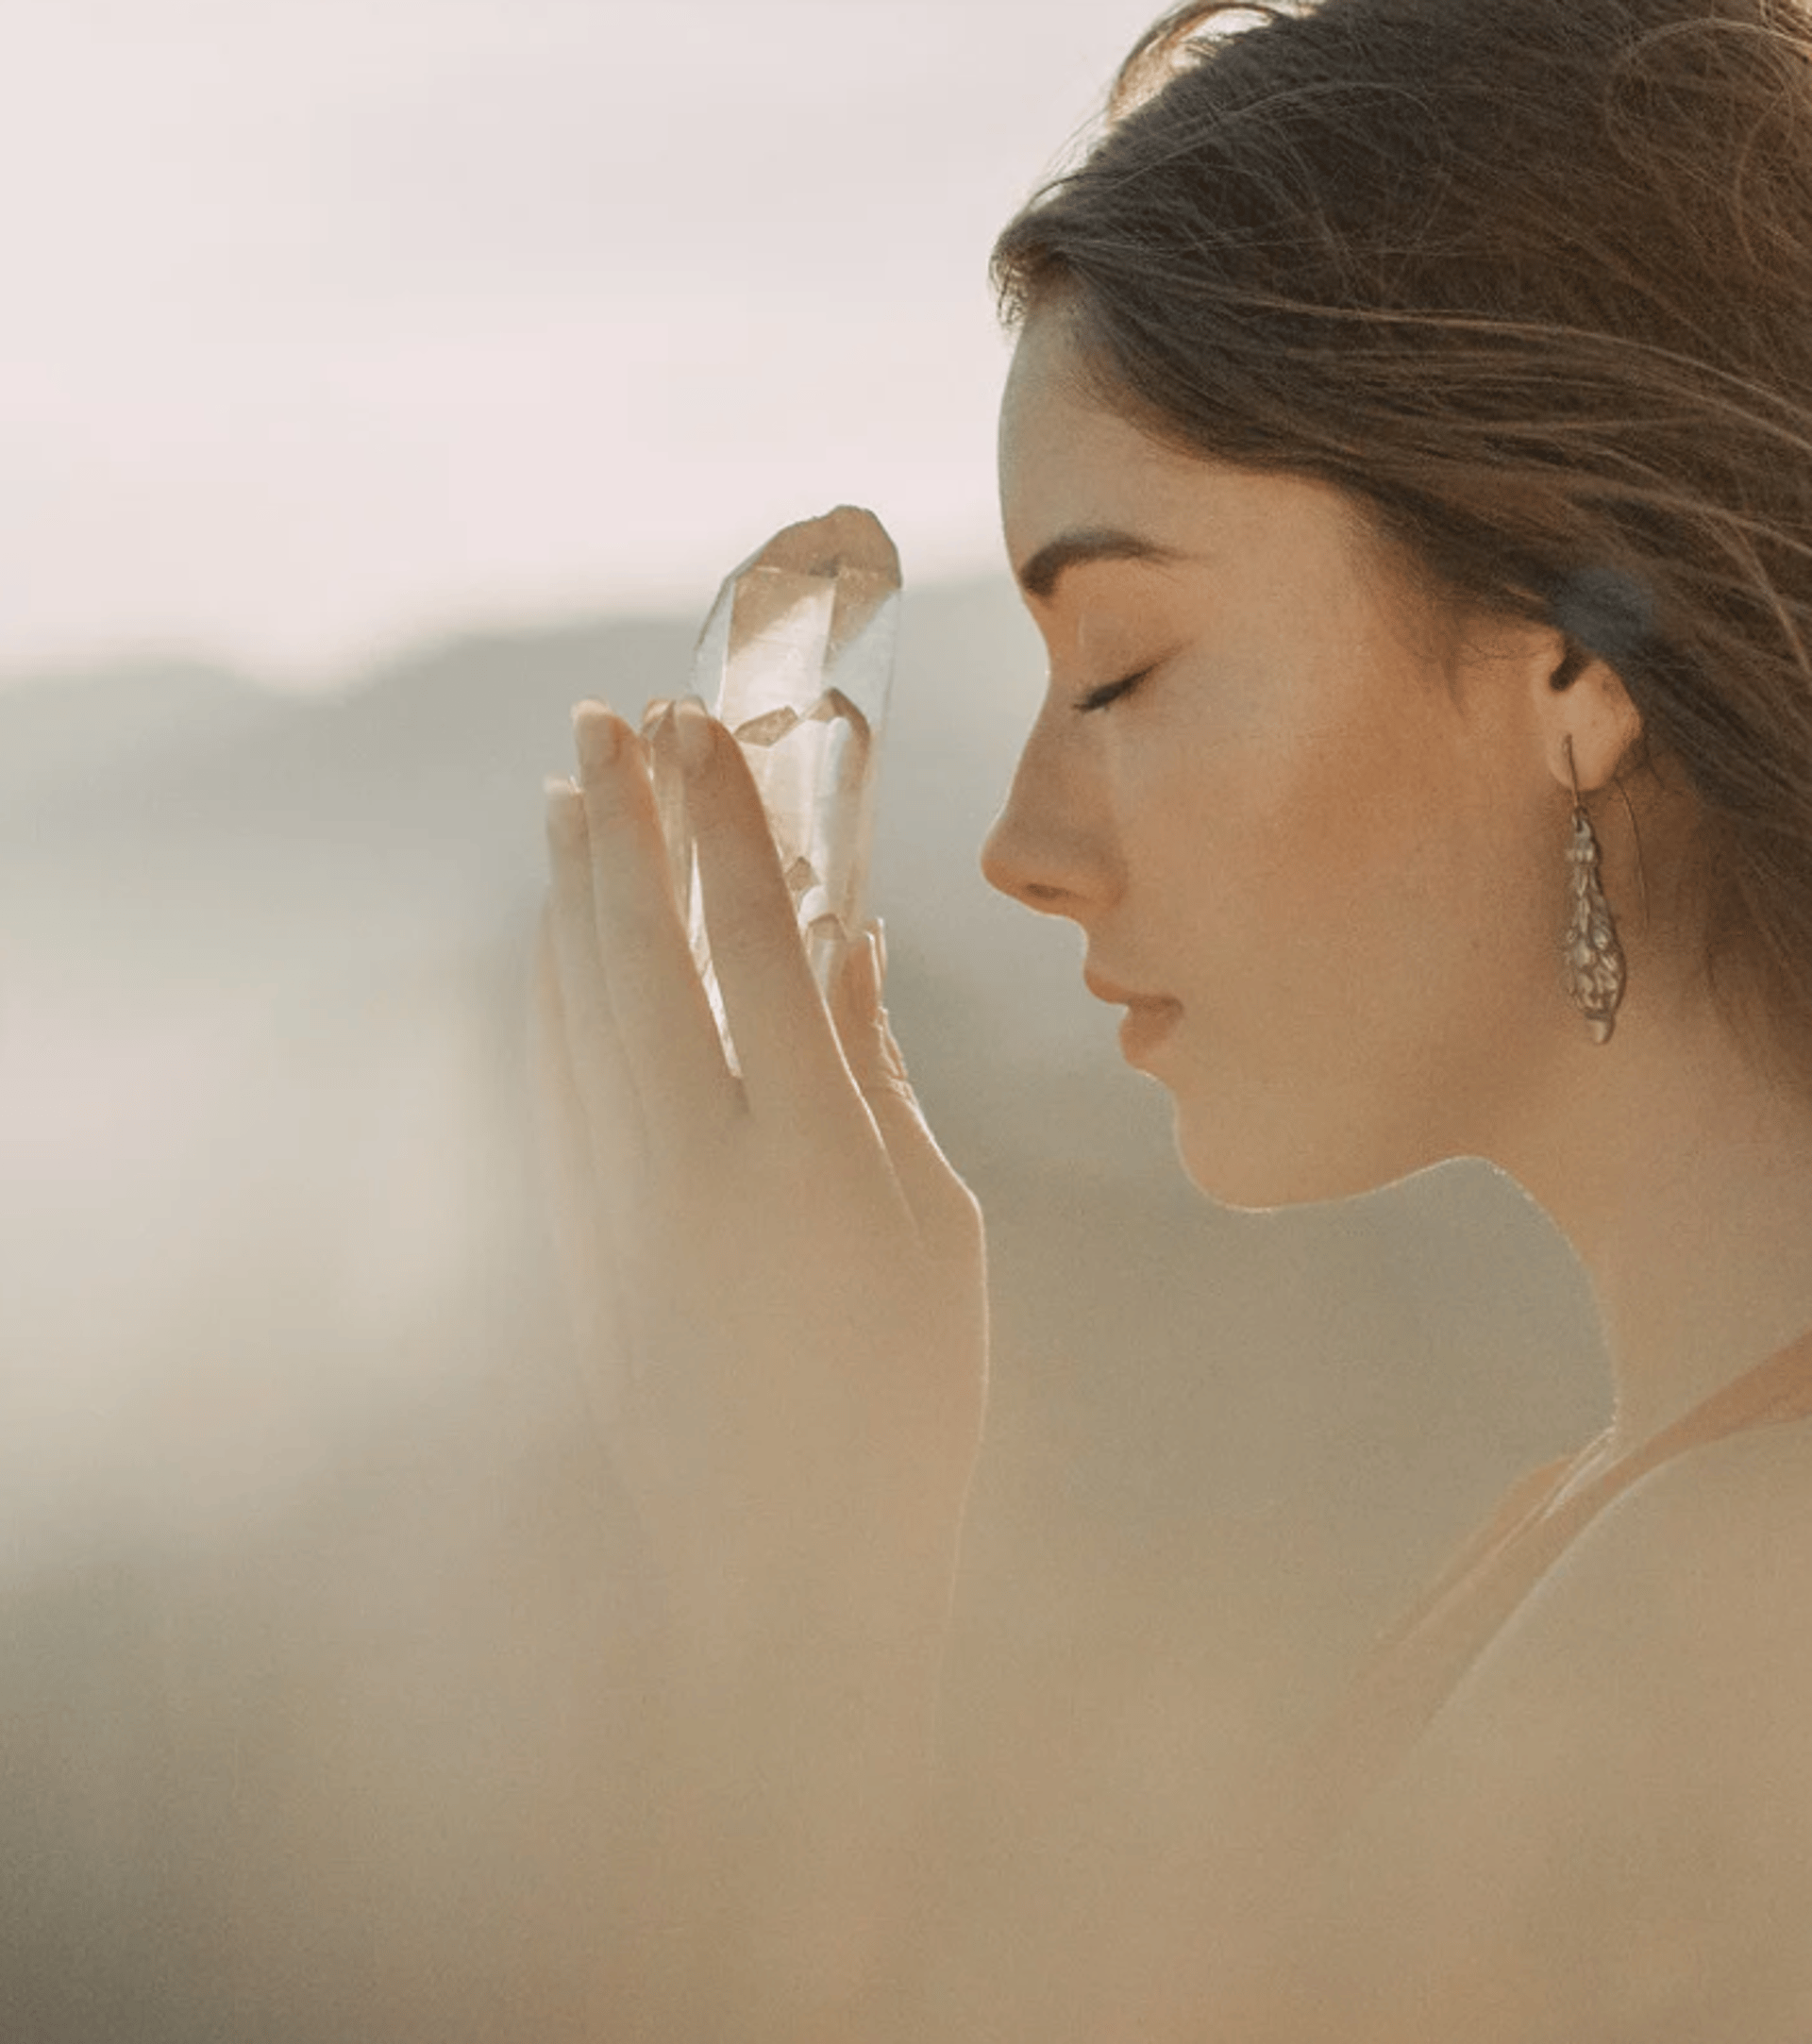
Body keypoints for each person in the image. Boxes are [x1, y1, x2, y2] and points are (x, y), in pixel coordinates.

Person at [533, 0, 1812, 2035]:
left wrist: (812, 1601)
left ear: (1582, 661)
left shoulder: (1737, 1639)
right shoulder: (1624, 1512)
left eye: (1117, 669)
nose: (1025, 848)